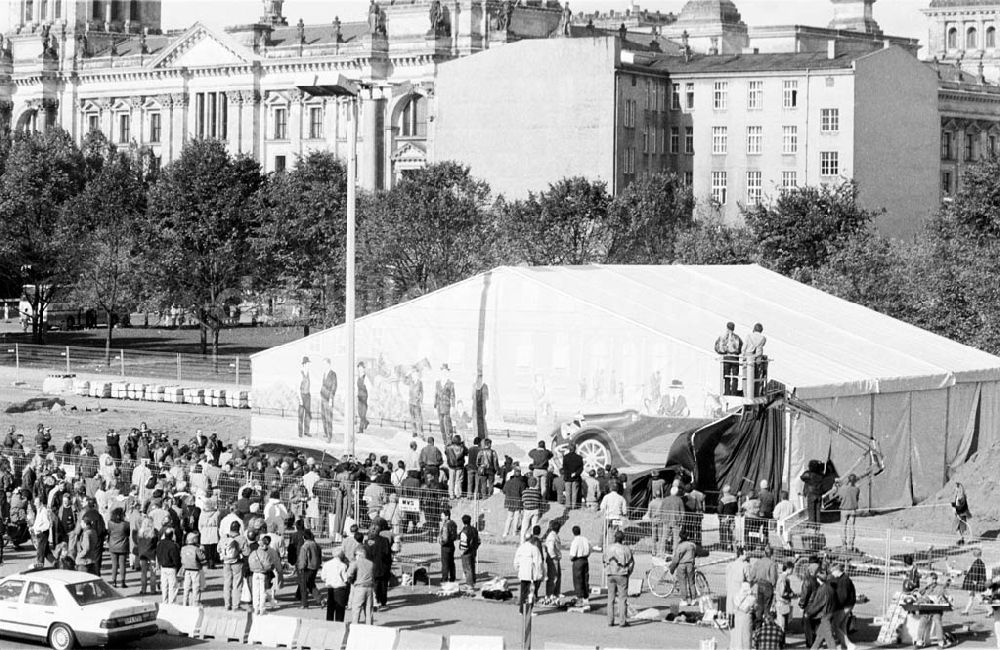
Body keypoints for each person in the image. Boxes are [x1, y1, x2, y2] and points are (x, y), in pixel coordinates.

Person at [604, 530, 634, 628]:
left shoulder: (608, 548)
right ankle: (622, 621)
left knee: (610, 598)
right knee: (622, 599)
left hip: (610, 574)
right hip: (622, 574)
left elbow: (604, 560)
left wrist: (607, 570)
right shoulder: (626, 549)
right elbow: (631, 563)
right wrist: (628, 573)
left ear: (614, 538)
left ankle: (610, 621)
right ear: (623, 539)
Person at [514, 527, 545, 613]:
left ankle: (522, 611)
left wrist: (518, 570)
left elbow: (516, 562)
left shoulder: (520, 548)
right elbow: (538, 563)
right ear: (531, 538)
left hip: (523, 574)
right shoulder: (534, 549)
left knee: (523, 593)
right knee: (531, 594)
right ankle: (528, 611)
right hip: (531, 575)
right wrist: (540, 575)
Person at [807, 571, 839, 650]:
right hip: (830, 612)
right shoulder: (830, 587)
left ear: (818, 579)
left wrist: (809, 612)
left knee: (829, 637)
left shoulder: (822, 590)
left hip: (825, 614)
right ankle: (814, 648)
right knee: (820, 635)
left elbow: (818, 604)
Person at [749, 545, 779, 626]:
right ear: (771, 554)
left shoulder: (758, 562)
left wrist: (754, 581)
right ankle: (767, 625)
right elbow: (773, 578)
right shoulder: (772, 563)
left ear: (764, 553)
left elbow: (752, 575)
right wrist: (774, 585)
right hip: (768, 586)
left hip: (759, 585)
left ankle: (758, 625)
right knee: (767, 607)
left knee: (760, 606)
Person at [829, 562, 857, 650]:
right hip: (848, 605)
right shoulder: (845, 579)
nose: (832, 574)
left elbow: (842, 597)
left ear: (837, 571)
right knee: (842, 627)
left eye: (832, 572)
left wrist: (834, 605)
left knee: (835, 626)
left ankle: (849, 644)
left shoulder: (843, 581)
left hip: (844, 606)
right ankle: (844, 647)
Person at [221, 520, 247, 610]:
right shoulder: (241, 538)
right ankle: (236, 605)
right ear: (239, 528)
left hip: (226, 562)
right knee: (237, 584)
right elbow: (247, 552)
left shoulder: (224, 537)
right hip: (237, 562)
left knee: (227, 584)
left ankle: (226, 604)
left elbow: (218, 549)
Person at [347, 545, 376, 624]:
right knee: (369, 609)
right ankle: (369, 626)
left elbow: (349, 574)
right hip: (369, 587)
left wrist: (351, 581)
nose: (355, 556)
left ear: (359, 554)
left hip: (359, 588)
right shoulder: (371, 563)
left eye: (355, 555)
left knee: (356, 609)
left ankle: (355, 626)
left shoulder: (355, 563)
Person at [831, 475, 860, 549]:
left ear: (848, 480)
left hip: (844, 509)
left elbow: (836, 496)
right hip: (853, 510)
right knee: (852, 527)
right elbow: (857, 498)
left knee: (843, 527)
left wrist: (835, 487)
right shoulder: (857, 489)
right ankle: (851, 544)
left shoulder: (843, 488)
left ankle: (844, 544)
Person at [321, 546, 350, 622]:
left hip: (330, 587)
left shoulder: (326, 564)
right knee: (340, 608)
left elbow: (323, 577)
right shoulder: (343, 565)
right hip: (340, 588)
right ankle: (339, 623)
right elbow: (345, 579)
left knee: (330, 607)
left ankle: (329, 623)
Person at [670, 530, 698, 606]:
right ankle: (694, 599)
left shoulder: (680, 546)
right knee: (691, 583)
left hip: (681, 565)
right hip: (690, 565)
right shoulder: (692, 545)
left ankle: (684, 600)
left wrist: (672, 568)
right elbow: (695, 553)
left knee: (683, 583)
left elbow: (676, 559)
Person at [247, 534, 274, 616]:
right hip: (262, 573)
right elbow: (268, 565)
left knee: (255, 591)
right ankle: (262, 609)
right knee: (262, 591)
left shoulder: (254, 552)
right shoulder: (265, 554)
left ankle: (256, 608)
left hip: (254, 573)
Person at [715, 321, 743, 396]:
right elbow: (740, 348)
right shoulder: (737, 338)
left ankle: (727, 392)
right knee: (735, 377)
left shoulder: (722, 337)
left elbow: (716, 347)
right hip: (735, 358)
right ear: (733, 328)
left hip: (726, 358)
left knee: (726, 376)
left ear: (727, 327)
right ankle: (734, 393)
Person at [156, 528, 182, 604]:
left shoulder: (160, 544)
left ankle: (164, 601)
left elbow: (157, 554)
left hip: (163, 567)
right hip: (171, 568)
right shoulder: (173, 545)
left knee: (164, 586)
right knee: (172, 587)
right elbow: (176, 558)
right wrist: (178, 567)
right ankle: (172, 603)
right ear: (172, 535)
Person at [180, 532, 207, 606]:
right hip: (195, 569)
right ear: (194, 539)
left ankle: (185, 602)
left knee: (186, 587)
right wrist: (203, 551)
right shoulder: (196, 549)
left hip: (186, 569)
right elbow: (202, 558)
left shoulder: (183, 548)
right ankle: (195, 603)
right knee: (196, 587)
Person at [297, 529, 322, 608]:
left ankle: (304, 603)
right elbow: (320, 556)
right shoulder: (316, 544)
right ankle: (320, 600)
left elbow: (303, 558)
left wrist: (301, 567)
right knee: (311, 584)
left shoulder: (305, 546)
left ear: (304, 537)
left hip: (306, 568)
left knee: (303, 586)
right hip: (315, 567)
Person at [726, 546, 750, 628]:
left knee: (730, 609)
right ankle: (737, 627)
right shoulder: (745, 565)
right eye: (745, 554)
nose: (747, 556)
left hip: (730, 589)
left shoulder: (730, 565)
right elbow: (749, 578)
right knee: (738, 611)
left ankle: (730, 624)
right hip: (739, 590)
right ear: (741, 555)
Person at [107, 507, 130, 588]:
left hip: (113, 545)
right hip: (123, 546)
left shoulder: (110, 523)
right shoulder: (126, 524)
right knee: (122, 564)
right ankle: (123, 582)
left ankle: (114, 581)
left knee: (114, 564)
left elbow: (109, 532)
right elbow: (128, 533)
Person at [569, 525, 591, 606]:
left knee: (578, 579)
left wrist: (571, 559)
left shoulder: (575, 541)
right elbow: (590, 549)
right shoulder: (585, 539)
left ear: (573, 533)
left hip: (577, 560)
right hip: (585, 559)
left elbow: (572, 554)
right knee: (585, 579)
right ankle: (586, 597)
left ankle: (579, 597)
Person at [502, 466, 526, 538]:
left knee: (509, 518)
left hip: (509, 501)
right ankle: (514, 533)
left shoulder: (508, 482)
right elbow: (523, 492)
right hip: (518, 502)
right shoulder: (522, 483)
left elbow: (504, 491)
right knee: (516, 518)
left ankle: (505, 533)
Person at [962, 548, 987, 615]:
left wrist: (974, 583)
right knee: (973, 597)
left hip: (973, 583)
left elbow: (975, 575)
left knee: (978, 597)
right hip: (976, 583)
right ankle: (966, 611)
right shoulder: (981, 563)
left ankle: (990, 610)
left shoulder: (976, 563)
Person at [731, 581, 755, 650]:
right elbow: (751, 607)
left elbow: (735, 605)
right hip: (747, 619)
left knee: (738, 637)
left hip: (738, 619)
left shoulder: (736, 597)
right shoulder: (751, 598)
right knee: (746, 637)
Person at [543, 521, 563, 604]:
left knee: (557, 576)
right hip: (553, 559)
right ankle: (550, 594)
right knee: (553, 577)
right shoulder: (552, 536)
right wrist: (553, 556)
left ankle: (555, 593)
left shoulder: (554, 535)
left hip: (555, 558)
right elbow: (550, 548)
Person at [459, 513, 480, 589]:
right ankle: (473, 582)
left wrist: (462, 552)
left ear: (463, 522)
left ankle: (469, 584)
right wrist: (475, 548)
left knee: (467, 568)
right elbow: (479, 541)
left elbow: (463, 543)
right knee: (472, 566)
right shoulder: (474, 530)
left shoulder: (464, 532)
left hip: (467, 552)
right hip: (473, 551)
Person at [435, 365, 455, 438]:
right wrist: (435, 407)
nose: (444, 373)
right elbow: (436, 395)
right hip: (439, 407)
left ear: (447, 372)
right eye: (442, 371)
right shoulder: (437, 383)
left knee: (447, 424)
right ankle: (445, 442)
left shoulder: (450, 383)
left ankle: (450, 440)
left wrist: (453, 406)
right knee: (441, 426)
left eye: (445, 371)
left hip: (447, 407)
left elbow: (453, 396)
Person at [562, 443, 584, 510]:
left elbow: (564, 468)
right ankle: (574, 506)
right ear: (575, 449)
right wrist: (575, 473)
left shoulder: (565, 457)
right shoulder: (579, 457)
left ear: (569, 449)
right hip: (575, 477)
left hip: (567, 477)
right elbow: (581, 468)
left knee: (568, 492)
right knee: (575, 492)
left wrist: (568, 474)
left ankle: (568, 506)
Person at [774, 560, 795, 631]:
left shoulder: (783, 577)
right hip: (782, 602)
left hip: (781, 602)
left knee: (782, 623)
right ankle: (781, 640)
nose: (793, 570)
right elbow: (782, 593)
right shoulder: (784, 578)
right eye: (792, 569)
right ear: (789, 568)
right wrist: (791, 595)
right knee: (782, 624)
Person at [445, 435, 467, 499]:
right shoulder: (462, 448)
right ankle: (458, 494)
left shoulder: (449, 448)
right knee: (459, 481)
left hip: (451, 466)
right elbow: (466, 452)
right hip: (460, 466)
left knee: (451, 480)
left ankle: (451, 495)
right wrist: (463, 445)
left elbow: (446, 452)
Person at [521, 477, 542, 542]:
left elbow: (523, 500)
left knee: (524, 526)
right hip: (535, 509)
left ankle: (522, 541)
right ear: (536, 483)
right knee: (534, 525)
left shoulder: (525, 491)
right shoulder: (537, 492)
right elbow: (539, 500)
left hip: (527, 510)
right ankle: (533, 540)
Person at [439, 508, 458, 582]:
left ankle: (444, 578)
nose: (441, 517)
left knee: (445, 563)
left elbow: (445, 538)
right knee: (451, 562)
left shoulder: (445, 525)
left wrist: (441, 542)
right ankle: (452, 578)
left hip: (445, 546)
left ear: (447, 516)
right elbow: (455, 536)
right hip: (452, 545)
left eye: (442, 516)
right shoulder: (453, 523)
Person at [719, 485, 739, 550]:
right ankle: (732, 546)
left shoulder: (722, 500)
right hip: (732, 517)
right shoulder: (734, 498)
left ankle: (724, 546)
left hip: (724, 518)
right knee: (731, 532)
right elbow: (736, 508)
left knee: (723, 532)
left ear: (724, 492)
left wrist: (720, 517)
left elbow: (719, 510)